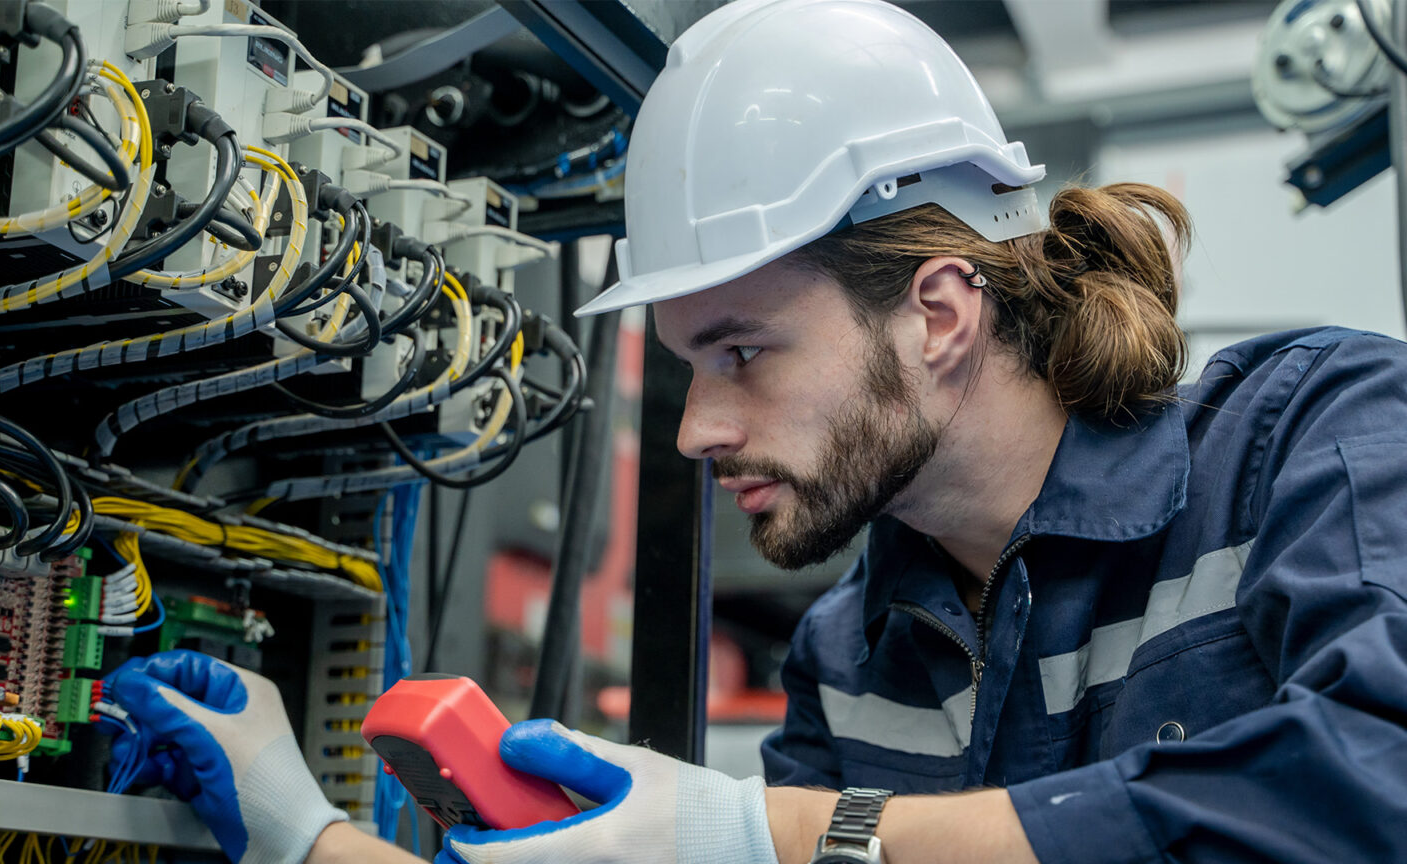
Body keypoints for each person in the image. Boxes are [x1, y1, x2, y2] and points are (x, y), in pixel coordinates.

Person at [105, 0, 1407, 862]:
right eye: (688, 368)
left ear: (940, 314)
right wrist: (304, 834)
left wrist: (780, 837)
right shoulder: (856, 658)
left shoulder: (1311, 439)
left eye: (744, 352)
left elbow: (1372, 785)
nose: (699, 429)